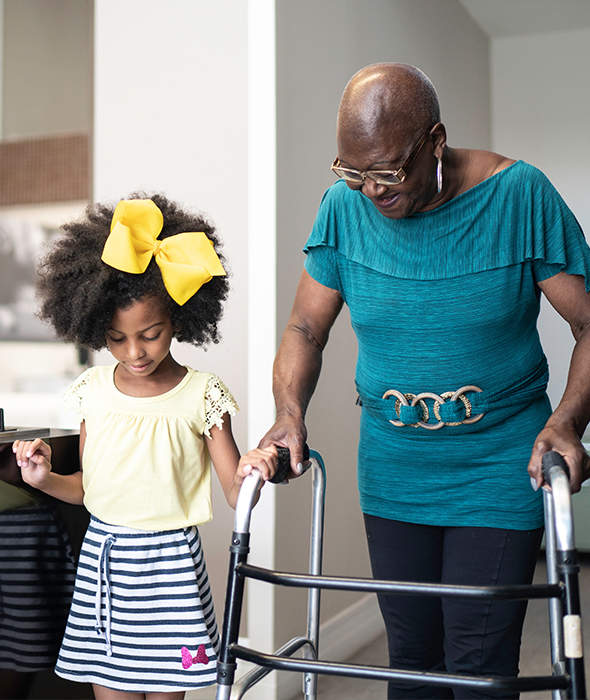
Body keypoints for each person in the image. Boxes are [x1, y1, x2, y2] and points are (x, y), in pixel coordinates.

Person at [260, 63, 590, 699]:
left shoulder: (520, 197)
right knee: (408, 657)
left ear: (436, 141)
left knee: (477, 660)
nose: (371, 191)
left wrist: (566, 422)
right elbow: (305, 327)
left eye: (387, 171)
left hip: (499, 459)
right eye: (352, 172)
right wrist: (289, 411)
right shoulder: (343, 208)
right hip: (394, 463)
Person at [12, 195, 278, 700]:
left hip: (171, 571)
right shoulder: (93, 391)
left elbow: (233, 491)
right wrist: (43, 479)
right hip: (105, 570)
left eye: (150, 335)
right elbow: (90, 489)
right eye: (116, 338)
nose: (134, 352)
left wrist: (253, 469)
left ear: (178, 318)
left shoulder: (203, 394)